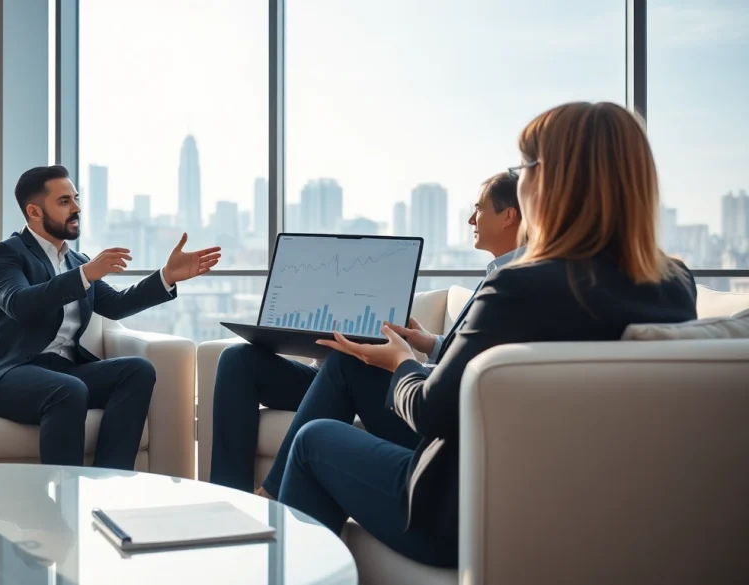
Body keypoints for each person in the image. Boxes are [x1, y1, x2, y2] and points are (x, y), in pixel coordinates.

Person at [283, 101, 697, 568]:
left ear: (550, 182)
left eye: (524, 167)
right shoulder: (675, 287)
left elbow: (432, 413)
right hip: (575, 513)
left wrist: (401, 363)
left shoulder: (520, 286)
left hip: (459, 515)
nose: (520, 181)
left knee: (315, 439)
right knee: (346, 372)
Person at [208, 172, 524, 498]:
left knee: (349, 362)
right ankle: (228, 499)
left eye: (480, 209)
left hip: (427, 407)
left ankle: (271, 495)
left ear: (508, 216)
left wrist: (399, 360)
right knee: (238, 359)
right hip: (392, 386)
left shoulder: (515, 283)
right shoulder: (499, 274)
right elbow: (468, 355)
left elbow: (469, 378)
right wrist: (428, 342)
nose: (472, 218)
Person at [0, 165, 221, 470]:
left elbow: (115, 305)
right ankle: (63, 495)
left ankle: (107, 480)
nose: (76, 208)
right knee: (68, 390)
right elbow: (18, 303)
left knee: (137, 370)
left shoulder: (77, 261)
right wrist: (85, 275)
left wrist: (166, 276)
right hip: (6, 372)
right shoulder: (6, 254)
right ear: (34, 212)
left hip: (61, 369)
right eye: (64, 202)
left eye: (75, 199)